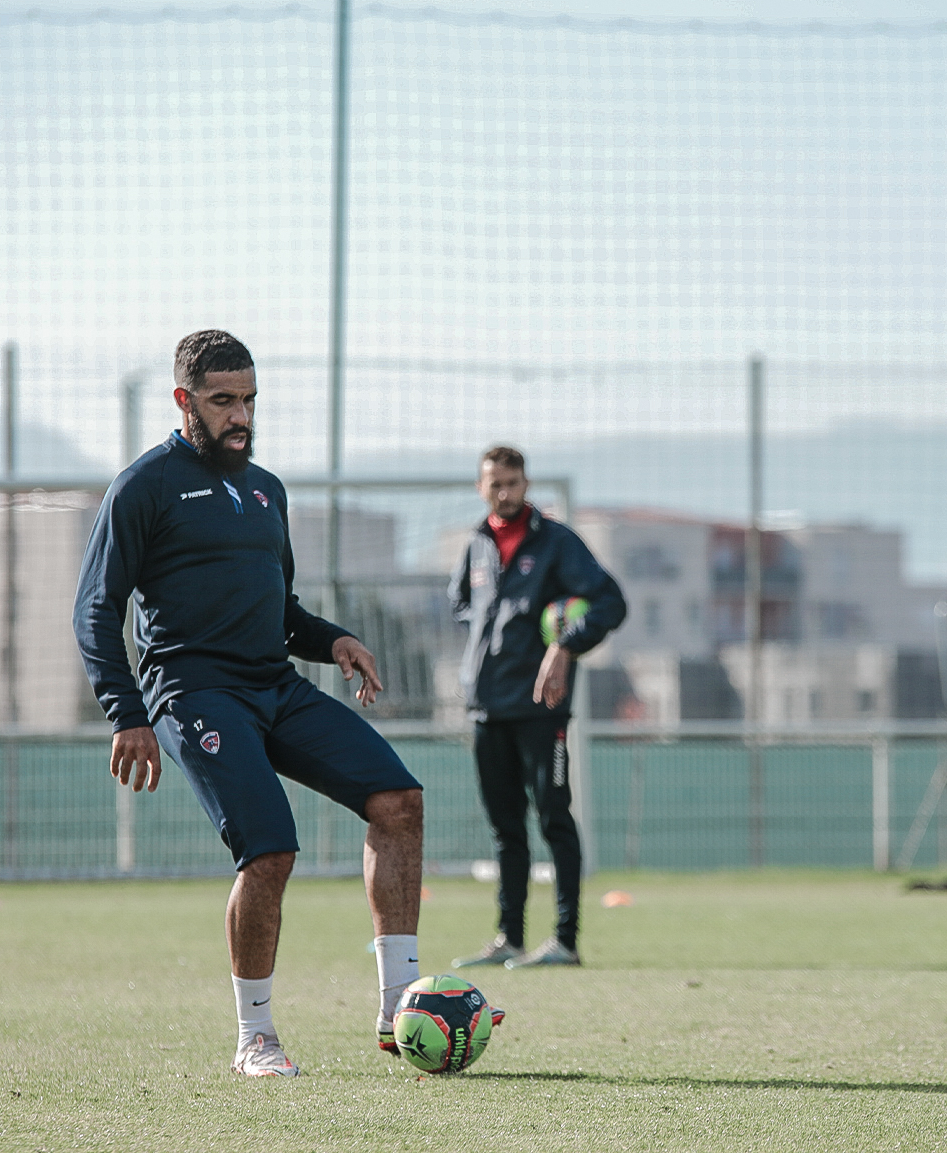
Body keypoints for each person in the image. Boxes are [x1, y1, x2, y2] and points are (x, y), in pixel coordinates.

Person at [73, 329, 442, 1078]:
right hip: (194, 694)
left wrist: (332, 639)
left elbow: (283, 610)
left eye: (248, 400)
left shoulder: (267, 488)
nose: (239, 416)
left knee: (399, 800)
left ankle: (400, 1004)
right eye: (222, 401)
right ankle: (256, 1039)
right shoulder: (142, 487)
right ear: (185, 401)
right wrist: (127, 712)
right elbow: (93, 610)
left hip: (276, 684)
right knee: (270, 850)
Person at [448, 446, 626, 970]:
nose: (504, 492)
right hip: (487, 706)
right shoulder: (476, 544)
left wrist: (564, 643)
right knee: (506, 828)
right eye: (494, 483)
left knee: (553, 818)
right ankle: (510, 937)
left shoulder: (557, 543)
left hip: (541, 708)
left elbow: (611, 602)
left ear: (527, 484)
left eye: (512, 482)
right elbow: (463, 605)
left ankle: (565, 941)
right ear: (481, 487)